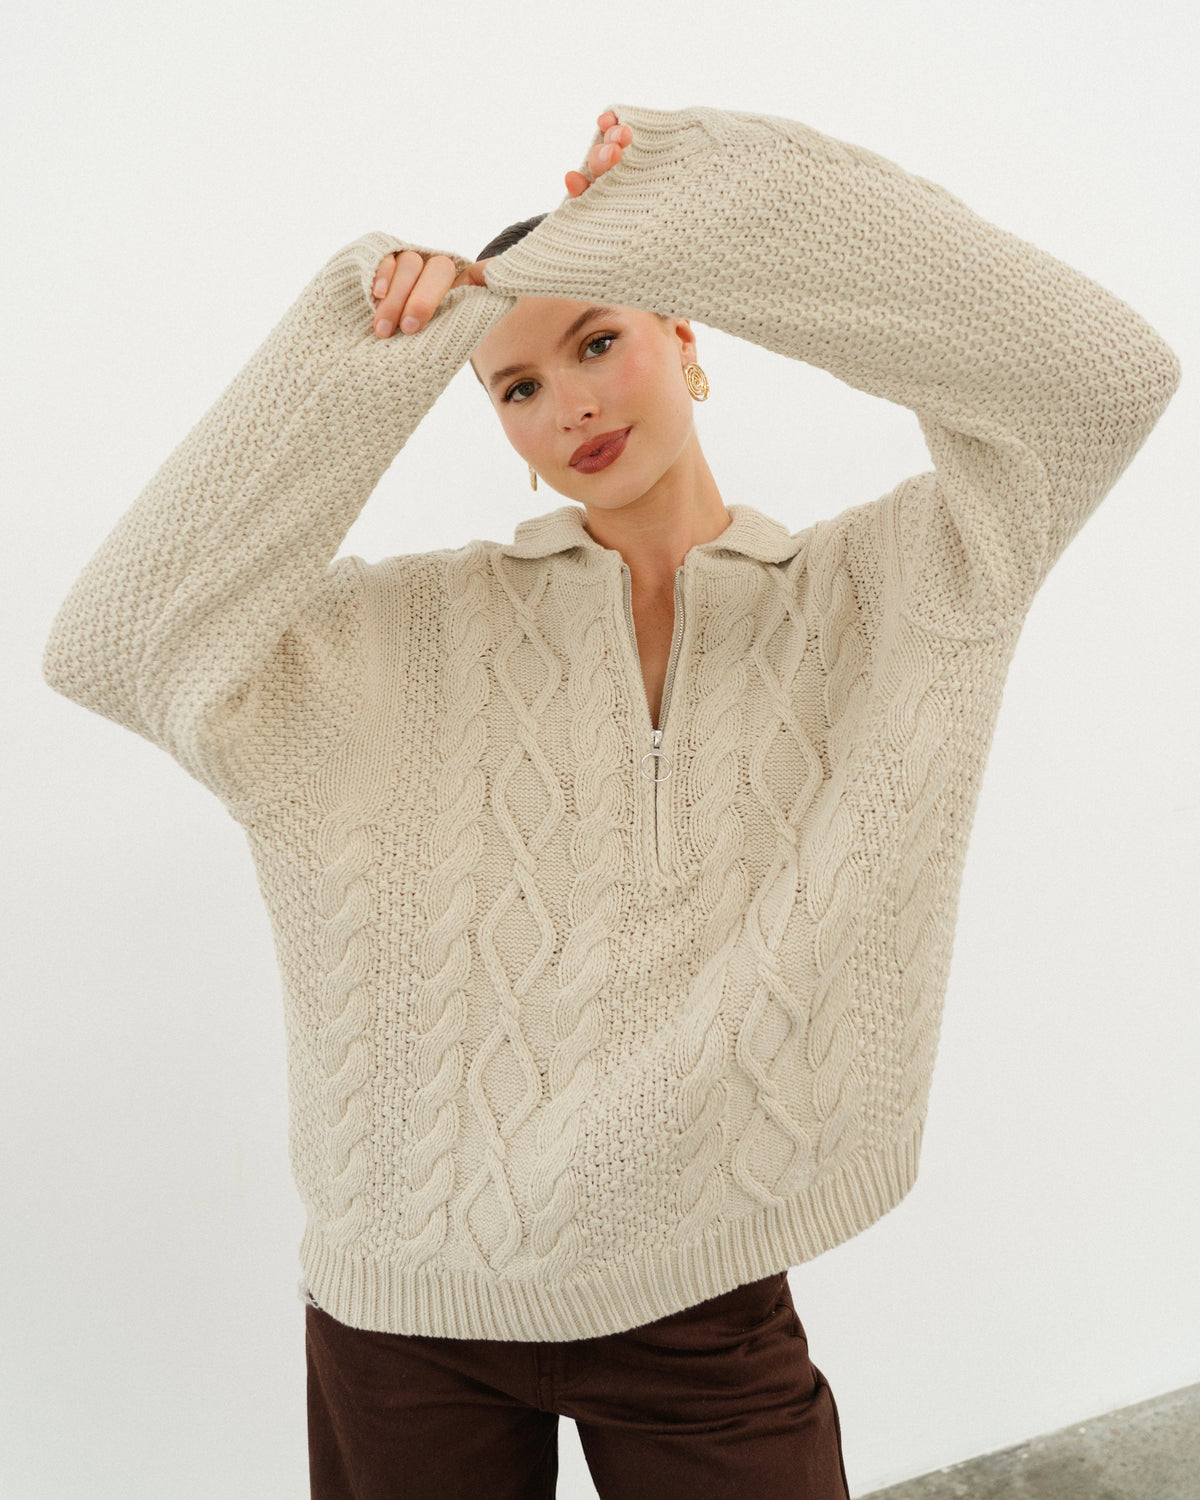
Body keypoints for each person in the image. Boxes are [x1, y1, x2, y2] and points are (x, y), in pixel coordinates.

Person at [41, 104, 1180, 1500]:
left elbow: (1099, 383)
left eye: (597, 342)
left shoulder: (887, 590)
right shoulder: (407, 634)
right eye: (515, 385)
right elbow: (117, 646)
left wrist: (712, 209)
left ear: (688, 336)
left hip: (699, 1303)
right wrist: (362, 361)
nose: (568, 404)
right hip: (406, 1312)